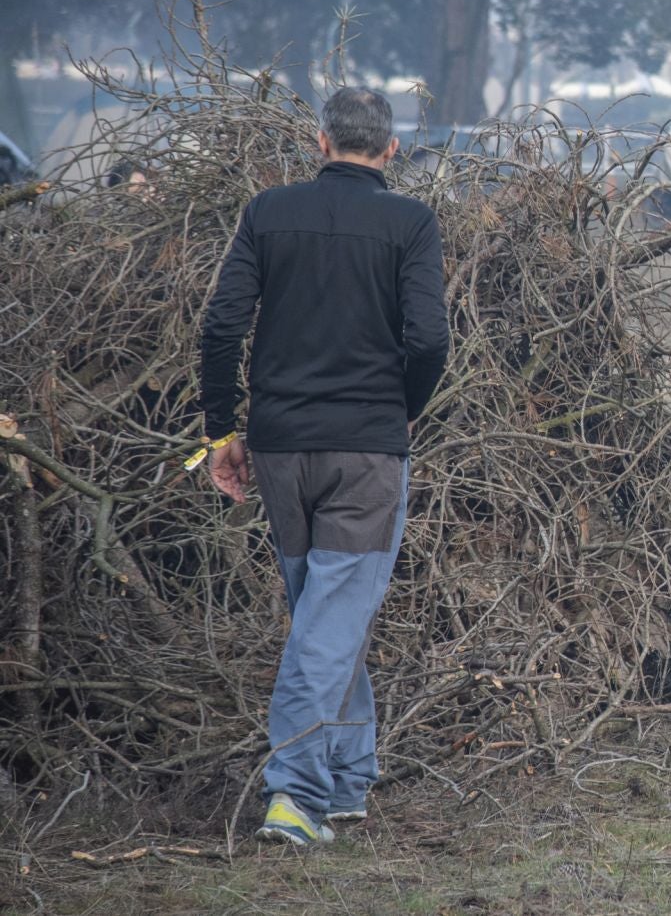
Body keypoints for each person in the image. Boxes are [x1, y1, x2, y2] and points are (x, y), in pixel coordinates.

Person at [196, 87, 448, 847]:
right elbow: (430, 338)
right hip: (367, 451)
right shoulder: (411, 222)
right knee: (331, 620)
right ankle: (295, 795)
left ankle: (347, 779)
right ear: (392, 150)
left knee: (326, 614)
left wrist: (220, 434)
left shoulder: (267, 212)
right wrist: (404, 407)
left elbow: (221, 326)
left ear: (320, 142)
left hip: (278, 447)